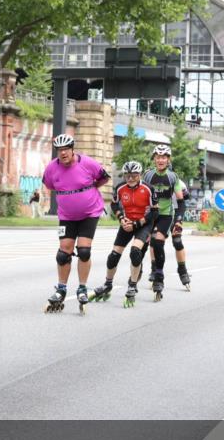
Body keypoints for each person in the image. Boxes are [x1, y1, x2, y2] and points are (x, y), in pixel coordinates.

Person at [41, 130, 110, 313]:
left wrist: (91, 189)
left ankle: (81, 287)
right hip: (66, 216)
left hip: (90, 212)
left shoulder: (87, 163)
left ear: (72, 149)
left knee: (84, 251)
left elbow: (104, 177)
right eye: (59, 150)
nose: (63, 153)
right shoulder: (51, 168)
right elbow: (48, 185)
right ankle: (61, 289)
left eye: (66, 149)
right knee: (63, 254)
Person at [90, 161, 157, 308]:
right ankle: (108, 284)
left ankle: (132, 285)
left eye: (134, 176)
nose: (130, 179)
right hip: (126, 223)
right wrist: (121, 219)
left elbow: (155, 212)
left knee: (135, 252)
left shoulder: (148, 189)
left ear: (139, 175)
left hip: (143, 224)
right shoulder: (120, 187)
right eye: (127, 176)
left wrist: (137, 224)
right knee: (113, 255)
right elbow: (114, 204)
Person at [141, 144, 187, 300]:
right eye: (158, 157)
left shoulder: (174, 178)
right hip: (151, 214)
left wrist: (179, 222)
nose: (160, 160)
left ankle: (182, 271)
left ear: (168, 160)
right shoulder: (147, 176)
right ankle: (150, 269)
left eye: (164, 157)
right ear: (154, 159)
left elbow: (181, 202)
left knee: (175, 241)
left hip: (168, 214)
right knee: (147, 242)